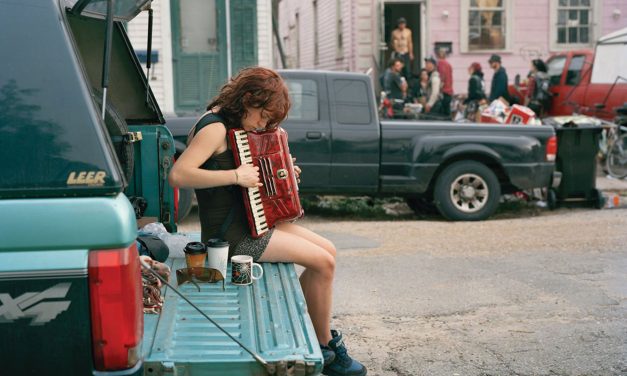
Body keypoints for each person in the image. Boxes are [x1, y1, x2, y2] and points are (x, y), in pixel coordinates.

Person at [168, 67, 367, 376]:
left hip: (253, 220)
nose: (263, 124)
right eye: (262, 116)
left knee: (328, 251)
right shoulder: (215, 128)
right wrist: (235, 175)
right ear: (248, 99)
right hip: (233, 236)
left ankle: (311, 329)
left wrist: (283, 174)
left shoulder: (229, 123)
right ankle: (325, 347)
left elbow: (246, 179)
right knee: (323, 263)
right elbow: (179, 175)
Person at [436, 47, 454, 117]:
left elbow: (442, 77)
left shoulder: (440, 63)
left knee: (442, 114)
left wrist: (439, 89)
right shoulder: (448, 64)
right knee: (447, 112)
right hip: (449, 90)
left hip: (444, 91)